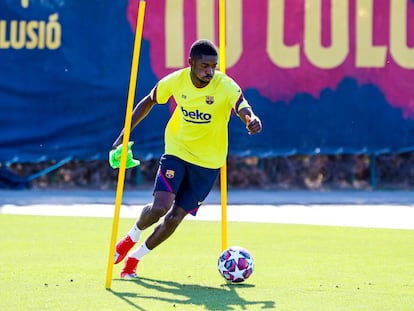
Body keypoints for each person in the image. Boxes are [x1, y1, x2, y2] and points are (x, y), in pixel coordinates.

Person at [111, 39, 262, 279]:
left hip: (209, 162)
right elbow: (149, 101)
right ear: (190, 62)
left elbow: (242, 106)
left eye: (213, 66)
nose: (209, 72)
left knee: (174, 219)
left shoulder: (225, 85)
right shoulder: (176, 81)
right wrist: (124, 134)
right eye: (204, 66)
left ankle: (134, 259)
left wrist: (251, 119)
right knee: (161, 207)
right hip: (177, 151)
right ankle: (131, 236)